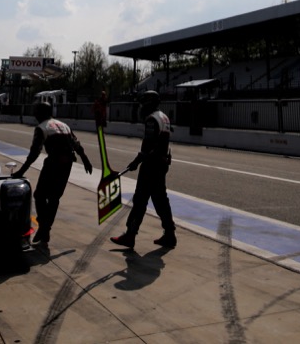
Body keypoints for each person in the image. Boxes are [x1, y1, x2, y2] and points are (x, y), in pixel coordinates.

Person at [11, 102, 92, 247]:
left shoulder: (42, 127)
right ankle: (45, 229)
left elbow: (34, 152)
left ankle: (44, 228)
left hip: (53, 163)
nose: (34, 115)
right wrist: (85, 159)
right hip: (67, 164)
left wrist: (21, 171)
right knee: (54, 198)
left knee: (39, 196)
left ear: (41, 113)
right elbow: (76, 144)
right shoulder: (63, 125)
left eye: (36, 112)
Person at [111, 91, 176, 250]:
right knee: (161, 200)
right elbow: (162, 144)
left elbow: (149, 146)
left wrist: (135, 162)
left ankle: (130, 235)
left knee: (140, 200)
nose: (141, 106)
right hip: (161, 165)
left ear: (150, 103)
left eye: (144, 103)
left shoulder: (152, 119)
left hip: (151, 166)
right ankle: (170, 234)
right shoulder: (164, 117)